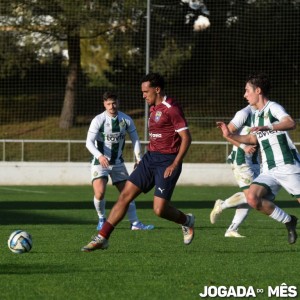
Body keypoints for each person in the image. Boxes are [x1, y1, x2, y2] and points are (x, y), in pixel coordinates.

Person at [81, 72, 194, 252]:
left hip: (167, 161)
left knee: (159, 210)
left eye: (145, 91)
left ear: (157, 90)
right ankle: (103, 237)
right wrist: (141, 158)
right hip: (150, 159)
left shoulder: (171, 108)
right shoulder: (153, 109)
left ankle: (186, 221)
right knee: (125, 195)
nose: (143, 95)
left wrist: (175, 163)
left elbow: (186, 138)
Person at [217, 72, 299, 244]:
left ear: (258, 91)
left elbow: (290, 123)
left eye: (247, 90)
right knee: (252, 198)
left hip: (287, 165)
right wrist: (230, 135)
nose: (244, 94)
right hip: (269, 169)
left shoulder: (273, 107)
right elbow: (253, 139)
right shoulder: (255, 115)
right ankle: (289, 221)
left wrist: (267, 126)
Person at [86, 91, 154, 231]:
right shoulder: (98, 120)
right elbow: (89, 143)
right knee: (99, 193)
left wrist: (138, 157)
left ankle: (135, 223)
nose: (112, 106)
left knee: (128, 193)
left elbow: (135, 139)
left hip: (118, 163)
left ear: (118, 102)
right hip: (100, 163)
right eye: (109, 103)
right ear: (104, 104)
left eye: (114, 103)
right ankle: (101, 218)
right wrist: (100, 156)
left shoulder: (126, 119)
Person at [210, 105, 260, 238]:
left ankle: (232, 229)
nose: (245, 94)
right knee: (253, 195)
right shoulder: (244, 113)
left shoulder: (265, 113)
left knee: (254, 198)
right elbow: (227, 134)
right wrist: (243, 146)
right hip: (242, 159)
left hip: (255, 161)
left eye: (247, 91)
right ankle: (222, 204)